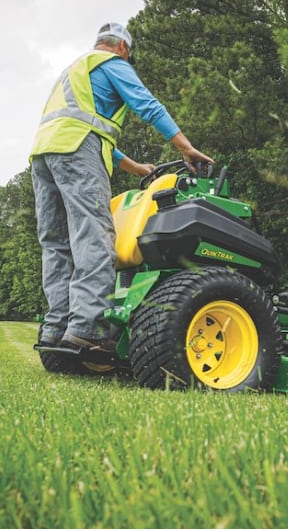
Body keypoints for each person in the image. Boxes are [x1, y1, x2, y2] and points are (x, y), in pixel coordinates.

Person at [30, 21, 213, 353]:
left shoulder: (74, 70)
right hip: (76, 150)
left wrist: (135, 168)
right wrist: (185, 147)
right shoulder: (112, 64)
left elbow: (85, 125)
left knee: (56, 244)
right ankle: (87, 327)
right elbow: (148, 106)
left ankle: (55, 327)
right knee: (94, 233)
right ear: (124, 48)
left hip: (43, 155)